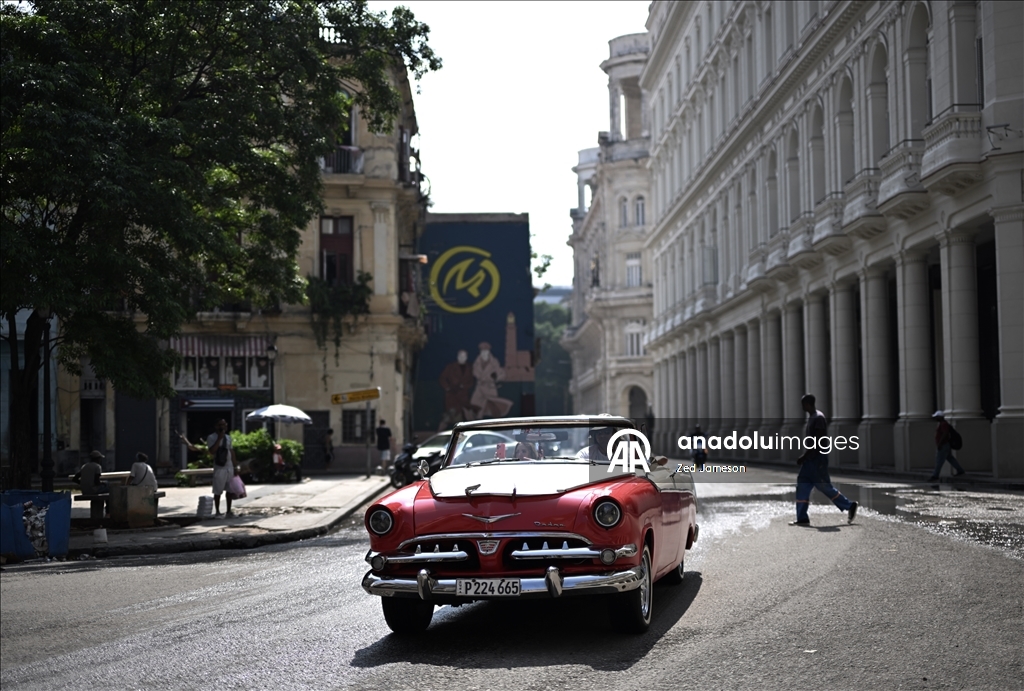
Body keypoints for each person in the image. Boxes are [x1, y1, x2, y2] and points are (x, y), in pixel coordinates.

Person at [792, 394, 857, 526]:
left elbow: (818, 441)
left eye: (803, 404)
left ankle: (850, 506)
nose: (802, 407)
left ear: (807, 404)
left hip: (817, 459)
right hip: (810, 460)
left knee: (824, 486)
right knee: (802, 485)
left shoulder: (818, 418)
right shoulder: (813, 417)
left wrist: (804, 456)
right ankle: (802, 517)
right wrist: (806, 457)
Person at [470, 342, 513, 418]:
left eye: (486, 351)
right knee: (475, 407)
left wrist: (496, 377)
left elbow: (502, 374)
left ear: (489, 352)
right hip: (479, 389)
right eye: (482, 351)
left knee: (492, 408)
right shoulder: (477, 362)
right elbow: (474, 372)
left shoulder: (494, 362)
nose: (484, 353)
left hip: (489, 389)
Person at [207, 419, 238, 517]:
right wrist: (219, 438)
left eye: (224, 424)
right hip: (219, 467)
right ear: (216, 426)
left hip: (229, 466)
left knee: (230, 490)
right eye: (220, 425)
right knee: (218, 490)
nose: (223, 426)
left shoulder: (228, 437)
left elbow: (231, 451)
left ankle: (228, 511)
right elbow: (212, 451)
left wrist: (235, 465)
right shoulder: (211, 437)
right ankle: (217, 511)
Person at [438, 349, 476, 430]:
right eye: (460, 356)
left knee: (467, 417)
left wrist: (464, 386)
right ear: (457, 357)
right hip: (452, 396)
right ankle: (438, 434)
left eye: (464, 356)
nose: (462, 358)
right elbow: (442, 378)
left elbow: (471, 382)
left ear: (466, 357)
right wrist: (447, 388)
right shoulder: (451, 367)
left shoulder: (469, 368)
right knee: (449, 416)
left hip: (463, 397)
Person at [930, 411, 966, 481]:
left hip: (944, 445)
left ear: (940, 417)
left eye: (936, 417)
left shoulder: (943, 424)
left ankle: (935, 475)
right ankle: (960, 470)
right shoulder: (942, 424)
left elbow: (945, 433)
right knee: (950, 458)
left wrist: (940, 443)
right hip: (945, 444)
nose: (935, 418)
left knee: (939, 460)